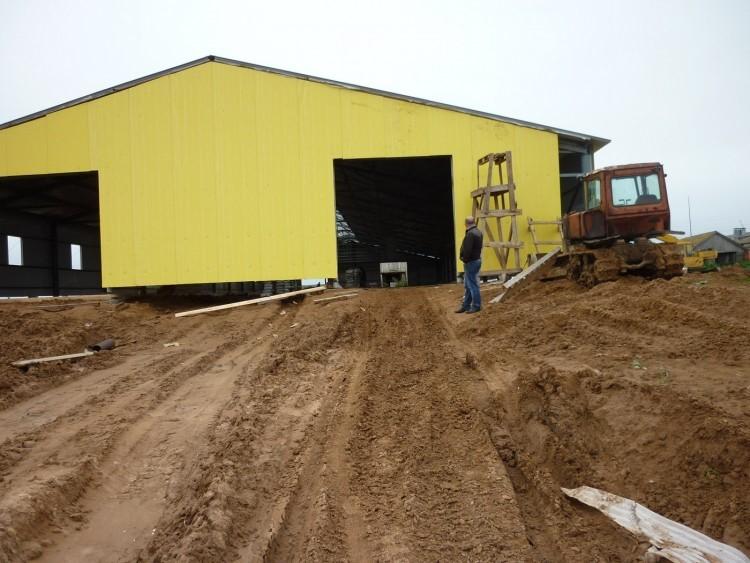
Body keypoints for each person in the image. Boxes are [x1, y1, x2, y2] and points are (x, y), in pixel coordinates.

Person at [457, 216, 483, 313]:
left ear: (466, 223)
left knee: (472, 285)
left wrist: (464, 259)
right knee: (469, 285)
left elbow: (468, 249)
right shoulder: (479, 232)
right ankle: (466, 305)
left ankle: (476, 305)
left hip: (471, 262)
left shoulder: (470, 234)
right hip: (476, 260)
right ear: (474, 222)